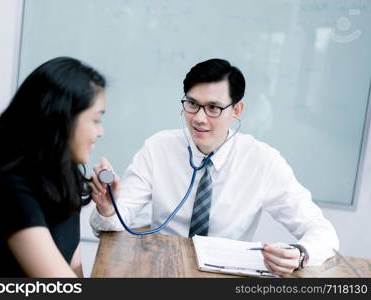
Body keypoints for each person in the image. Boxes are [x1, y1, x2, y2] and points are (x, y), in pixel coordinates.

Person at [89, 58, 339, 276]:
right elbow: (111, 226)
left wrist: (301, 254)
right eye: (192, 104)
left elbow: (322, 232)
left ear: (237, 110)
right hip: (161, 270)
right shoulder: (158, 148)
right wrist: (108, 210)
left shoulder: (263, 161)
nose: (199, 117)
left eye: (213, 108)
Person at [0, 56, 107, 277]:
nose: (100, 132)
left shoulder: (65, 175)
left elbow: (72, 268)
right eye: (96, 120)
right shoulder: (11, 186)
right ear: (63, 118)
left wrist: (107, 208)